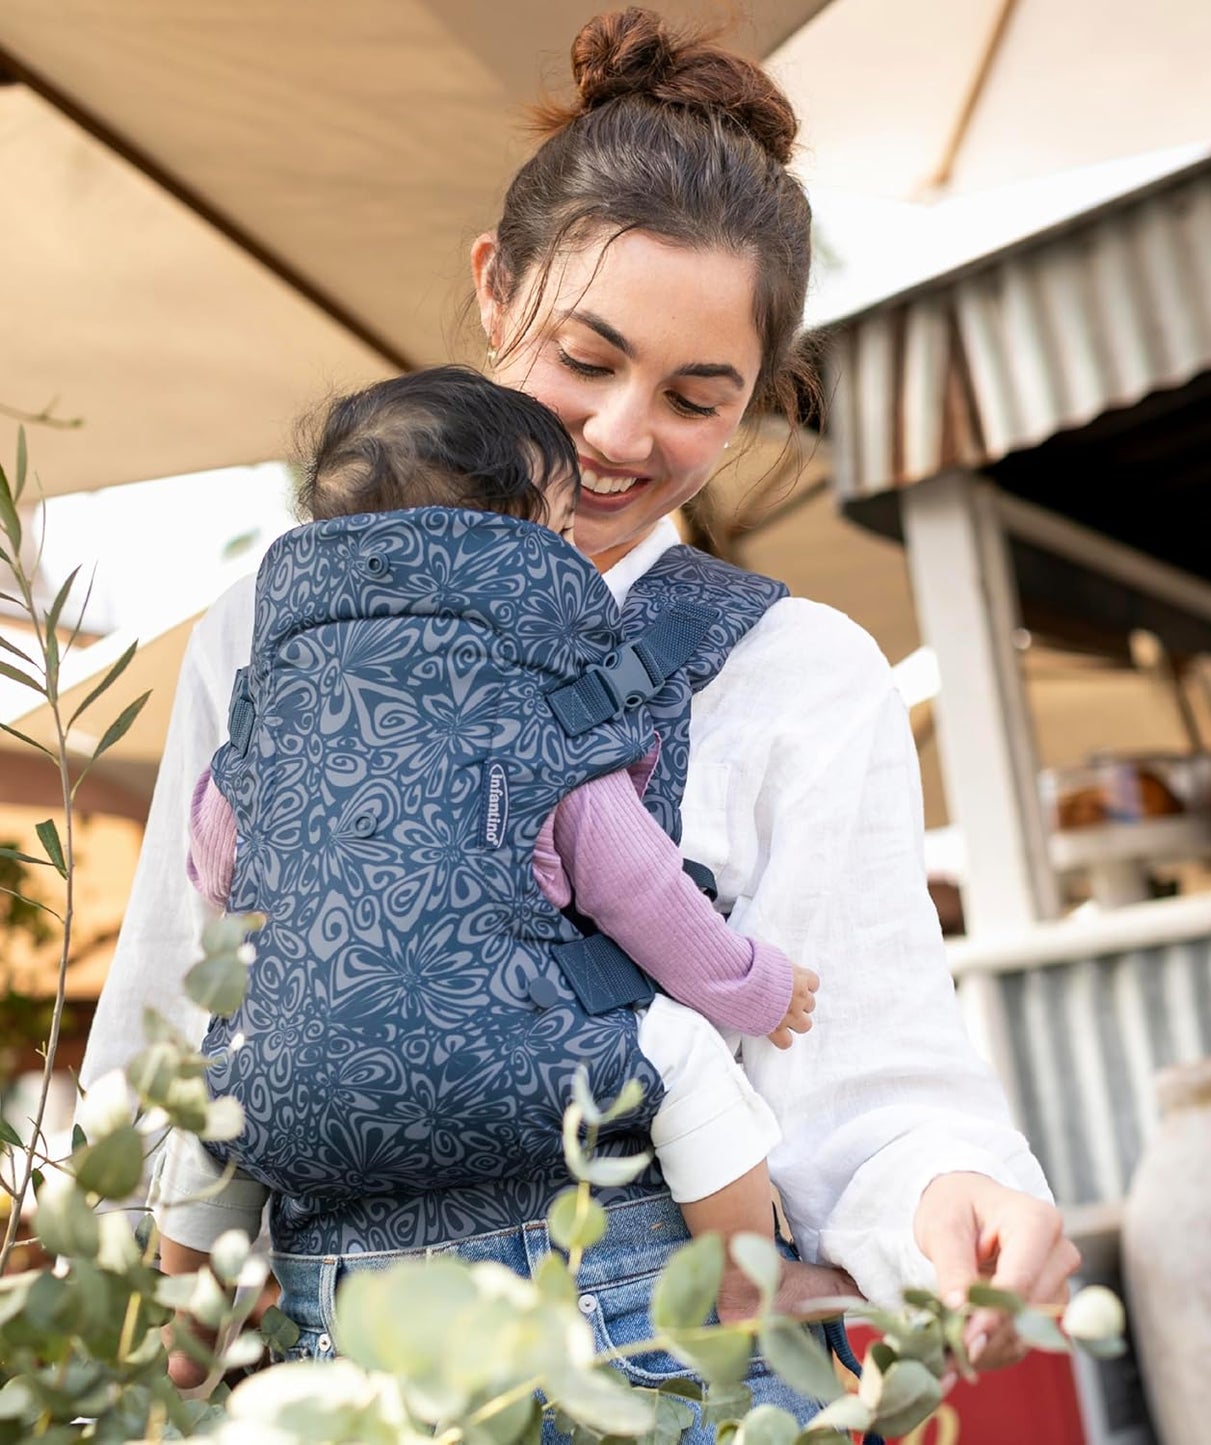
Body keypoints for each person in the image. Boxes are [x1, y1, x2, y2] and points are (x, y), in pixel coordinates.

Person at [84, 6, 1079, 1418]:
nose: (618, 437)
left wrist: (955, 1197)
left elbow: (873, 1094)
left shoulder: (801, 671)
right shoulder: (267, 630)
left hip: (679, 1377)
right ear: (495, 289)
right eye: (585, 356)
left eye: (694, 396)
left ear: (756, 406)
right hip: (337, 1390)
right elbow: (179, 1022)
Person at [158, 364, 825, 1326]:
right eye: (558, 529)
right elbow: (644, 897)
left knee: (219, 1094)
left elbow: (215, 866)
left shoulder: (277, 714)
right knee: (680, 1055)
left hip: (303, 1079)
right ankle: (742, 1274)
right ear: (514, 545)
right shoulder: (534, 705)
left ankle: (188, 1313)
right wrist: (755, 986)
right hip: (516, 1059)